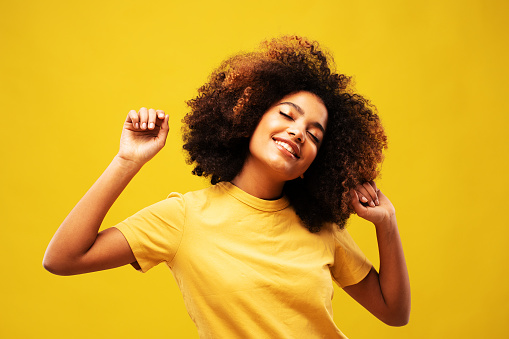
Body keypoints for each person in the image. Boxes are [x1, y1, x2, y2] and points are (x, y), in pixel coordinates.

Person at [43, 36, 410, 338]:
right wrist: (127, 161)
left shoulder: (321, 227)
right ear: (250, 118)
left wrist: (386, 222)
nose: (299, 132)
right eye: (286, 114)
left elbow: (393, 312)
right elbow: (62, 259)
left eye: (315, 135)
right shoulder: (182, 218)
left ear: (315, 163)